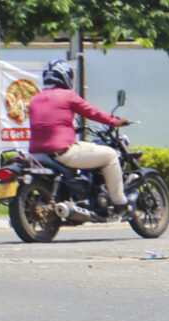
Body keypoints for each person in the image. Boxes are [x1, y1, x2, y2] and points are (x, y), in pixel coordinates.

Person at [27, 60, 132, 214]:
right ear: (65, 77)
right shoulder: (68, 96)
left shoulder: (35, 99)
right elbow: (92, 112)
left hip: (37, 154)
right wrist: (115, 121)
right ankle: (119, 202)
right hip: (62, 152)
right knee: (110, 155)